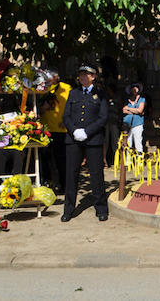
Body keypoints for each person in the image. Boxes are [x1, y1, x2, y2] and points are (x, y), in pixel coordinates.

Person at [61, 63, 108, 222]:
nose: (82, 77)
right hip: (73, 139)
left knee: (96, 174)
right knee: (71, 174)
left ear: (93, 76)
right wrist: (74, 130)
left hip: (93, 139)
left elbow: (103, 118)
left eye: (86, 74)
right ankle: (68, 209)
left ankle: (101, 208)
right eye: (81, 74)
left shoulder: (100, 94)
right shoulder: (73, 93)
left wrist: (87, 132)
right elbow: (66, 116)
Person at [39, 69, 71, 192]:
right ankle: (48, 184)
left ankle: (64, 186)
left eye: (49, 77)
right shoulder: (41, 89)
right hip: (45, 129)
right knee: (45, 159)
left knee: (61, 160)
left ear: (56, 77)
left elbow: (72, 105)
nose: (47, 79)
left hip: (60, 129)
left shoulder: (66, 88)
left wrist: (67, 120)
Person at [122, 82, 146, 155]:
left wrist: (129, 109)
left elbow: (140, 110)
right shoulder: (126, 100)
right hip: (127, 124)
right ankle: (127, 163)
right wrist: (135, 111)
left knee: (138, 143)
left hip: (138, 124)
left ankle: (139, 163)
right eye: (133, 88)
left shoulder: (142, 99)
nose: (135, 89)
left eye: (136, 87)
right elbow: (123, 110)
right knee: (128, 143)